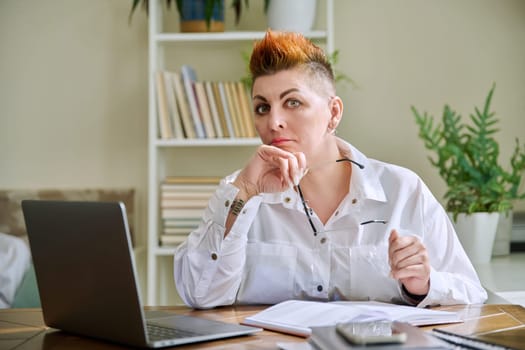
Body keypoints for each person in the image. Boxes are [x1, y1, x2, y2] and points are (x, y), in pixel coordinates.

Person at [174, 30, 487, 309]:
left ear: (333, 113)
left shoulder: (404, 191)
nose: (273, 122)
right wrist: (244, 193)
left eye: (292, 102)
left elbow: (471, 293)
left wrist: (423, 286)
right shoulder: (238, 191)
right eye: (262, 107)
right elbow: (199, 294)